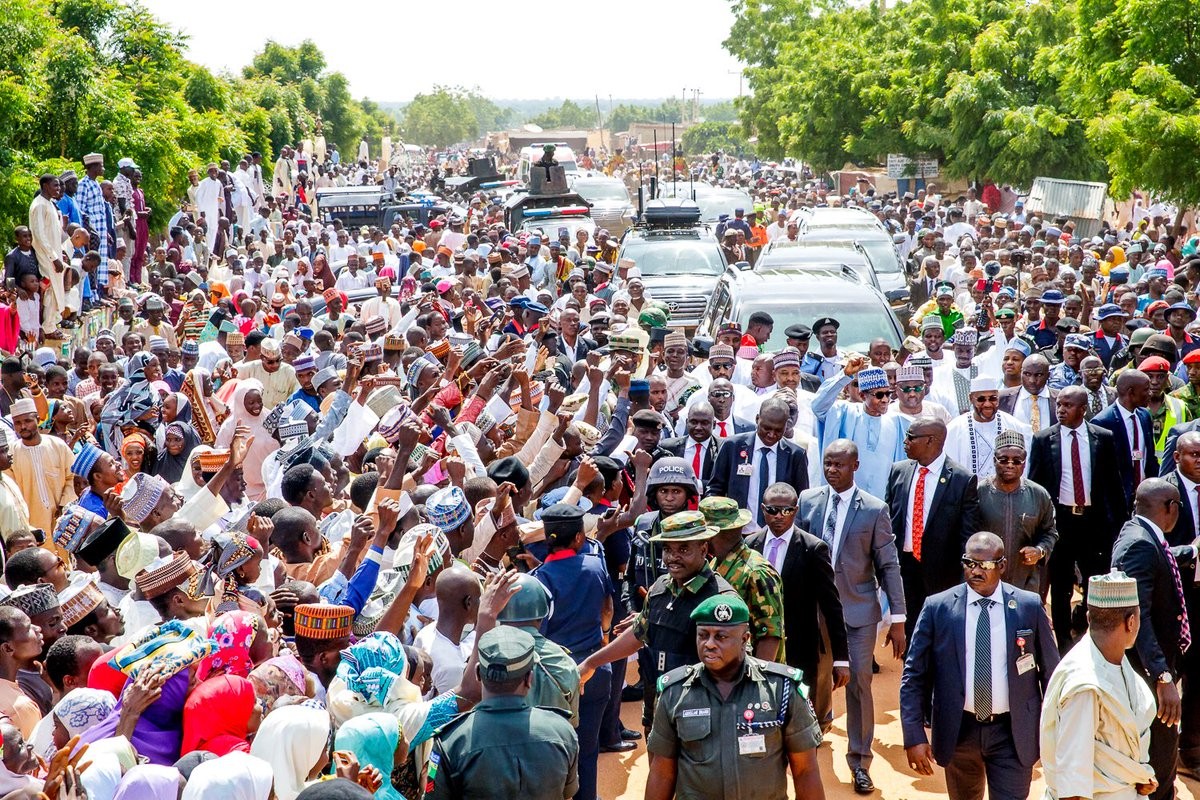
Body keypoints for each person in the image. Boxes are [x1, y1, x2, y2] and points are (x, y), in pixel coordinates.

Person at [900, 532, 1058, 800]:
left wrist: (1053, 732)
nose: (976, 571)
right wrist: (914, 735)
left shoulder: (1028, 607)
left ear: (1002, 565)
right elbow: (914, 676)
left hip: (1013, 733)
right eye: (969, 563)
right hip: (959, 732)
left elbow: (1053, 675)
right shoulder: (938, 608)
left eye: (984, 565)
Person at [797, 439, 905, 794]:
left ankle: (860, 760)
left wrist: (899, 617)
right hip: (816, 610)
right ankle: (812, 734)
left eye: (839, 465)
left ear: (855, 466)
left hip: (858, 611)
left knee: (858, 680)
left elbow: (888, 565)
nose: (832, 470)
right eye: (827, 464)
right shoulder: (808, 502)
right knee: (815, 675)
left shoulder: (874, 510)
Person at [646, 594, 826, 800]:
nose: (710, 644)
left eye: (721, 637)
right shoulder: (675, 692)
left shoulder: (781, 688)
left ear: (744, 639)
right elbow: (662, 773)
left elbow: (805, 771)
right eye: (703, 635)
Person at [578, 510, 736, 732]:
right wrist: (590, 663)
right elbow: (639, 634)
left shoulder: (720, 601)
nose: (672, 557)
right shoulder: (660, 588)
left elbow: (732, 672)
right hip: (658, 710)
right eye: (667, 549)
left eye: (683, 549)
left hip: (699, 720)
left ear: (703, 548)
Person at [1111, 478, 1197, 800]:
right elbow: (1138, 616)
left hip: (1153, 666)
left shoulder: (1138, 533)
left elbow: (1162, 558)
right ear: (1170, 508)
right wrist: (1162, 676)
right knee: (1160, 750)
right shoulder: (1141, 545)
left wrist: (1192, 551)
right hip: (1148, 673)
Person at [1040, 571, 1158, 800]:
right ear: (1131, 622)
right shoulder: (1084, 684)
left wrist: (1136, 776)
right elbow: (1072, 786)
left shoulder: (1116, 659)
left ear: (1088, 617)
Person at [426, 627, 579, 800]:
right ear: (530, 678)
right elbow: (567, 796)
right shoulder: (562, 731)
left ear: (478, 674)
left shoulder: (450, 741)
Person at [1029, 385, 1128, 652]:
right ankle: (1062, 640)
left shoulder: (1102, 438)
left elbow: (1113, 483)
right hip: (1060, 522)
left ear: (1083, 409)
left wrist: (1121, 524)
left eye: (1068, 405)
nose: (1061, 409)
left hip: (1094, 522)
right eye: (1059, 404)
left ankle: (1092, 632)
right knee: (1060, 584)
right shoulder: (1043, 439)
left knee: (1096, 580)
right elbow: (1035, 485)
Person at [747, 481, 848, 736]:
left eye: (787, 510)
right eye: (772, 510)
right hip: (758, 645)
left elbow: (832, 606)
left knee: (801, 718)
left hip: (801, 648)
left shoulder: (813, 548)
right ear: (762, 510)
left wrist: (841, 658)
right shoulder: (749, 545)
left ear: (796, 510)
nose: (779, 517)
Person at [530, 504, 612, 800]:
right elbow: (607, 610)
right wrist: (602, 638)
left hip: (553, 676)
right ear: (579, 538)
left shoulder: (538, 577)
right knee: (587, 751)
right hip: (595, 666)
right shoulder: (595, 565)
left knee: (555, 753)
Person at [886, 418, 980, 641]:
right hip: (905, 568)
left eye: (911, 437)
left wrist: (962, 577)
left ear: (931, 441)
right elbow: (889, 522)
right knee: (910, 633)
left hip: (941, 574)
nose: (905, 441)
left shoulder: (962, 479)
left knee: (939, 634)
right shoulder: (898, 471)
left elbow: (967, 536)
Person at [706, 397, 810, 530]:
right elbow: (715, 488)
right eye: (766, 428)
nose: (771, 435)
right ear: (757, 419)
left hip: (777, 536)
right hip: (737, 533)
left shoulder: (796, 455)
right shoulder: (732, 446)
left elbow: (801, 499)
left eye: (778, 430)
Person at [1161, 430, 1200, 776]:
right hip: (1176, 597)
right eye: (1194, 455)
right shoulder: (1163, 493)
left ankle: (1192, 747)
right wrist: (1192, 552)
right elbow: (1153, 550)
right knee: (1173, 673)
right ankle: (1163, 750)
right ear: (1176, 457)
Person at [976, 430, 1057, 595]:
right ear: (994, 461)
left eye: (1017, 461)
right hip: (985, 581)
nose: (1010, 465)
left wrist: (1039, 551)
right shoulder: (978, 493)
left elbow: (1050, 532)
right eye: (1003, 460)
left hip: (1026, 582)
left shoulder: (1038, 495)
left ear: (1024, 463)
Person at [1092, 369, 1158, 513]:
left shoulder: (1144, 416)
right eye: (1146, 390)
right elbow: (1100, 472)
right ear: (1131, 392)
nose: (1150, 394)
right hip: (1117, 502)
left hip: (1145, 498)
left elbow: (1149, 457)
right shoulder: (1103, 422)